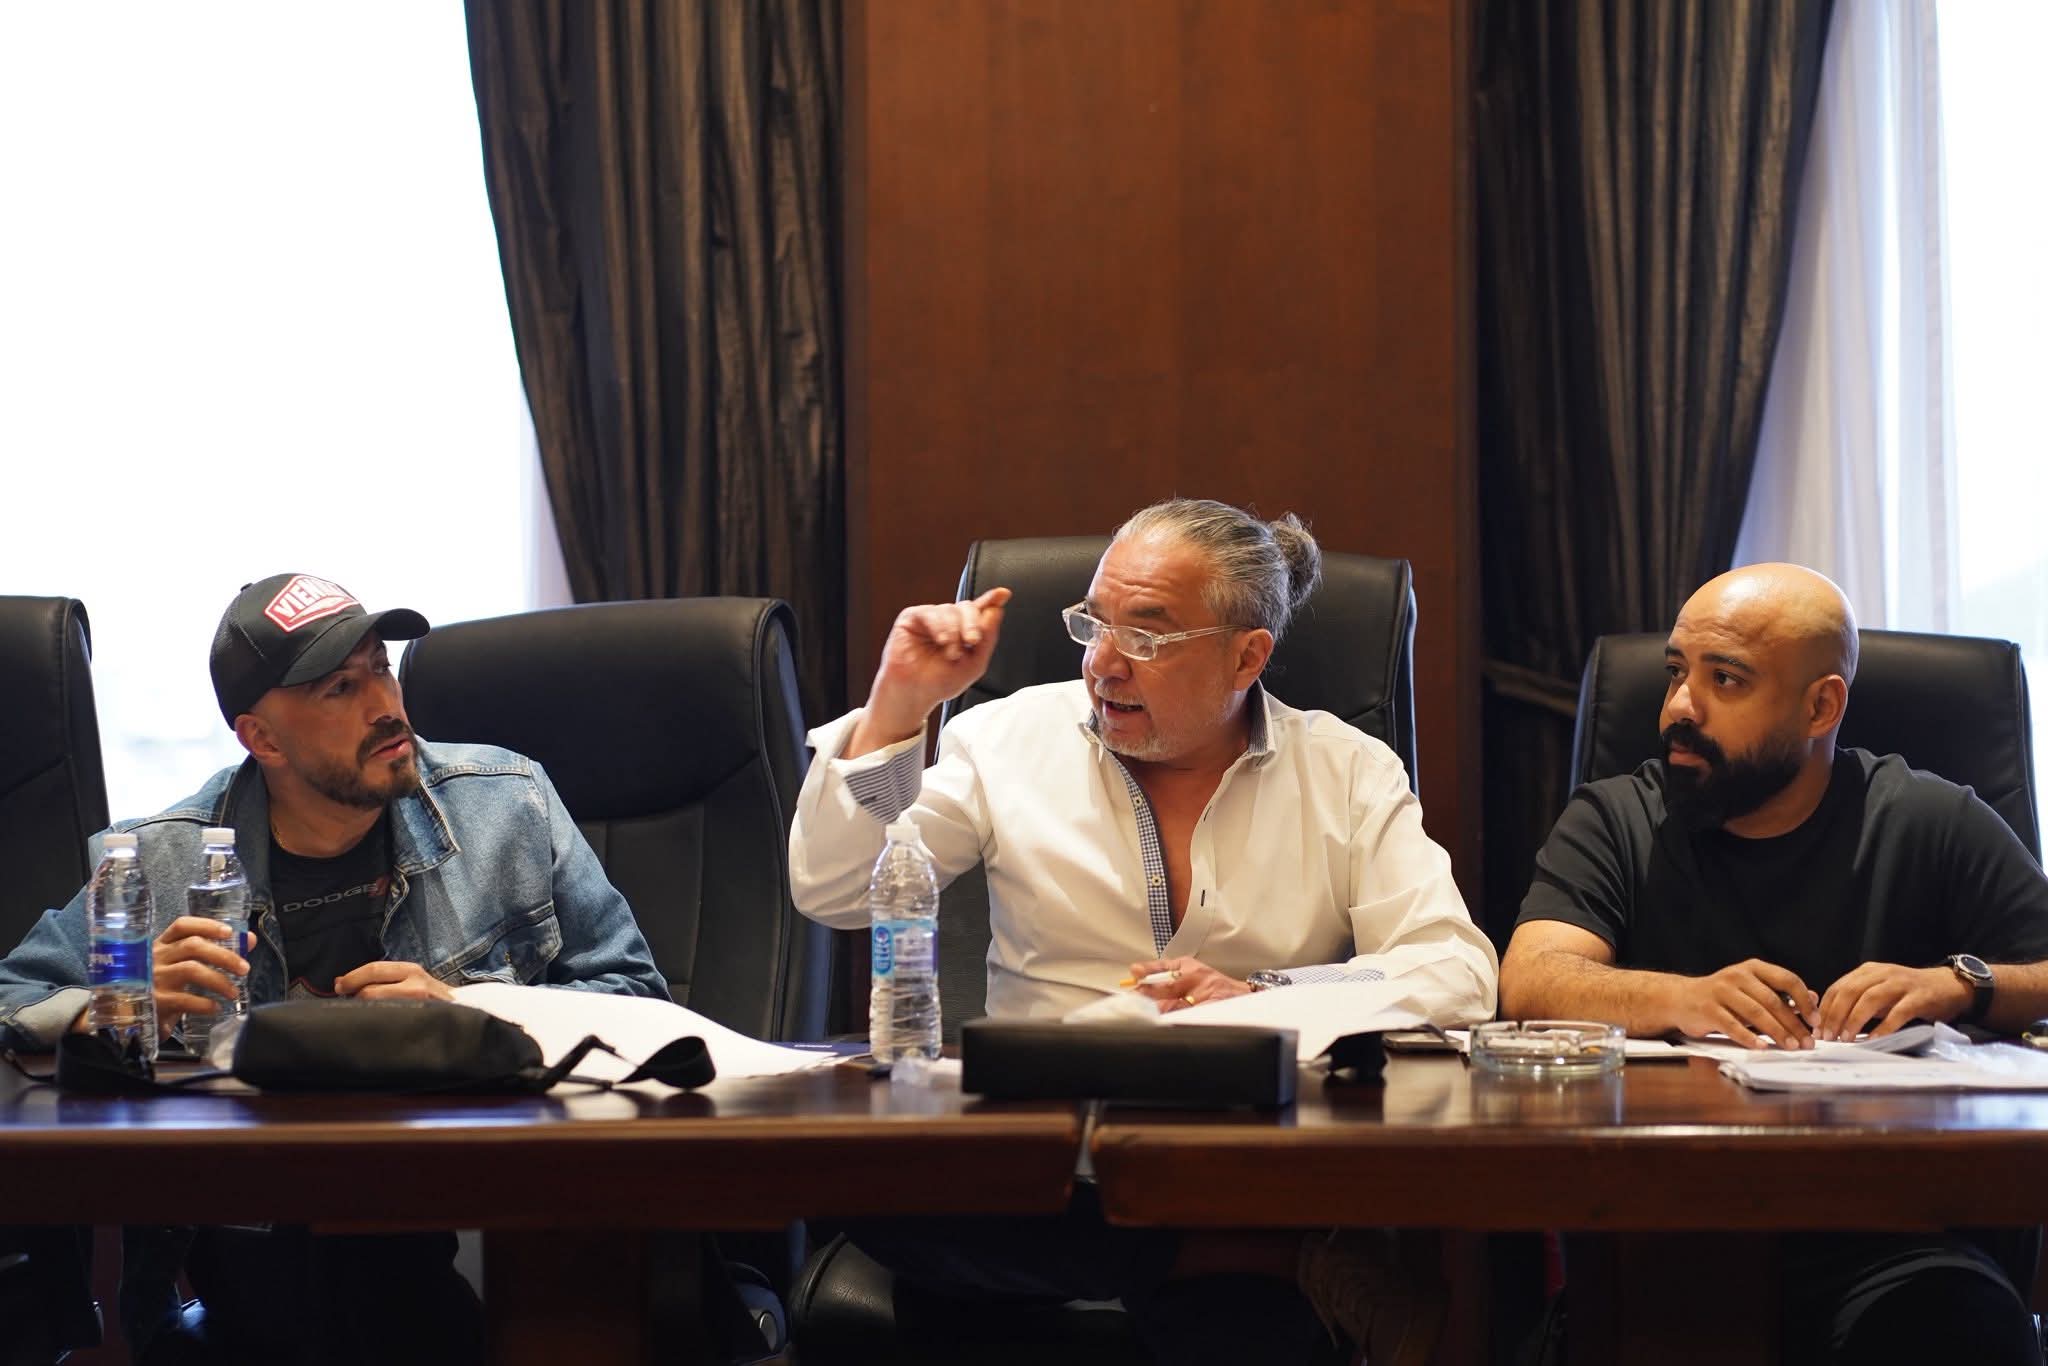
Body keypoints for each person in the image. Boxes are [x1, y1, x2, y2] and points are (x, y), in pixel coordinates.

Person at [789, 498, 1498, 1366]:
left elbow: (1456, 970)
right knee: (866, 1188)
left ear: (1247, 656)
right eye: (1093, 624)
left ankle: (1232, 1252)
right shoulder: (1002, 740)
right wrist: (896, 711)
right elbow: (837, 887)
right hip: (1041, 1158)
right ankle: (1267, 1258)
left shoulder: (1345, 770)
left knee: (1236, 1328)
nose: (1103, 663)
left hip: (1239, 1157)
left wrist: (1266, 995)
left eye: (1148, 637)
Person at [0, 572, 669, 1366]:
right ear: (263, 740)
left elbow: (637, 994)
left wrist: (476, 1013)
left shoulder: (507, 805)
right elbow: (13, 996)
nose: (385, 705)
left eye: (381, 667)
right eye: (340, 688)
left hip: (458, 1243)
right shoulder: (165, 859)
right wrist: (122, 1001)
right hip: (240, 1276)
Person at [1500, 562, 2048, 1364]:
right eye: (1677, 672)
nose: (1680, 707)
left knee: (1961, 1333)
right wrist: (1682, 998)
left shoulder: (1926, 818)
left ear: (1821, 706)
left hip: (1893, 1247)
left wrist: (1961, 984)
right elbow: (1532, 978)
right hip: (1666, 1233)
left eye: (1725, 679)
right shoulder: (1617, 817)